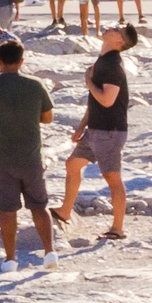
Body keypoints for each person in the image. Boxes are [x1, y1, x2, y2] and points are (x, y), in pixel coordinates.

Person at [0, 41, 56, 271]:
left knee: (7, 210)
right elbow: (48, 118)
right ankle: (49, 253)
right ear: (21, 61)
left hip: (3, 159)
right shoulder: (35, 85)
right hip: (31, 157)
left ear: (0, 62)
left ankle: (10, 259)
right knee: (39, 206)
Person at [55, 24, 134, 240]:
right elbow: (95, 102)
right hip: (95, 129)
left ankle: (118, 228)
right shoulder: (103, 62)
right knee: (72, 164)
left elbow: (106, 100)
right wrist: (82, 127)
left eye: (117, 29)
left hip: (109, 131)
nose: (111, 27)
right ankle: (64, 211)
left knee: (113, 178)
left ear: (120, 42)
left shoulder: (113, 66)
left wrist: (88, 81)